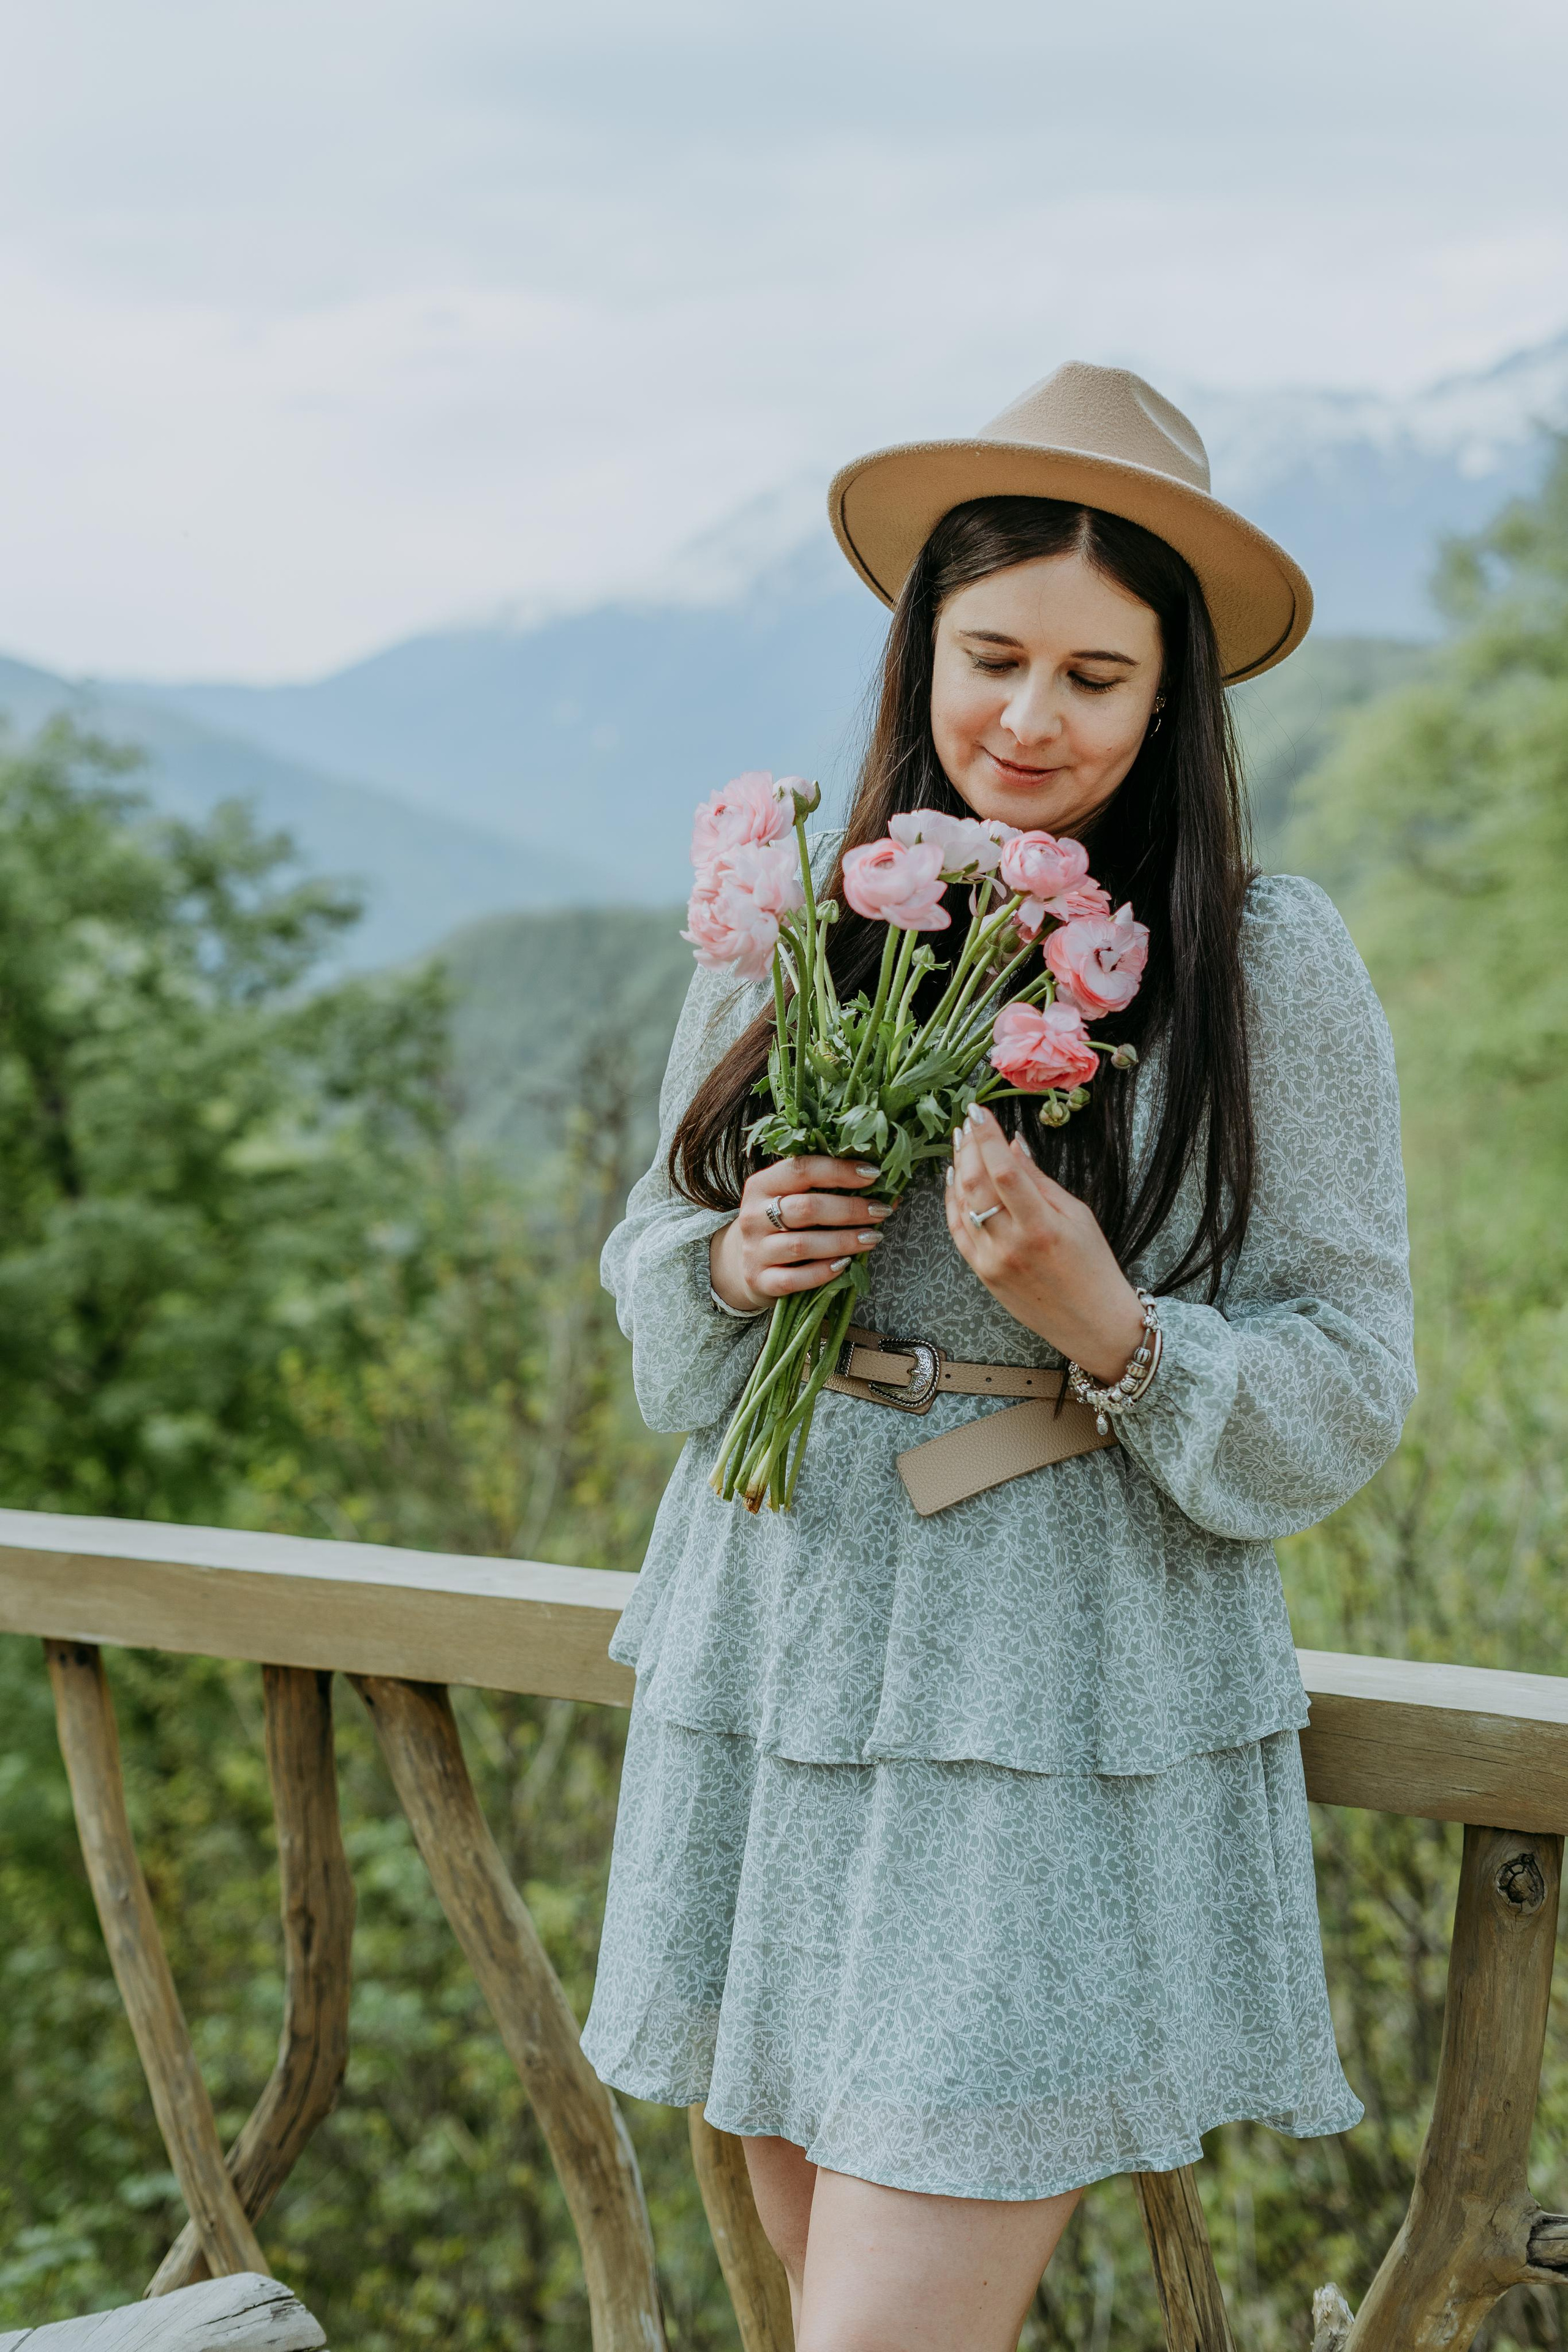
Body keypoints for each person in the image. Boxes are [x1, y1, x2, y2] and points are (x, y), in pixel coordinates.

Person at [580, 362, 1415, 2352]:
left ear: (1173, 699)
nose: (1029, 721)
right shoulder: (800, 920)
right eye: (992, 658)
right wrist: (729, 1267)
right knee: (832, 2304)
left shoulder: (1262, 962)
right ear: (919, 655)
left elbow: (1356, 1372)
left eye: (1096, 679)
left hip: (1052, 1689)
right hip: (780, 1648)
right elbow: (647, 1289)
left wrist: (1105, 1324)